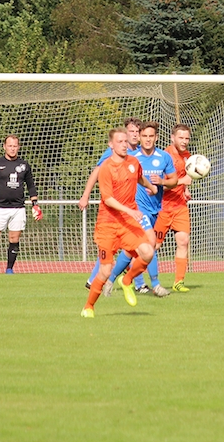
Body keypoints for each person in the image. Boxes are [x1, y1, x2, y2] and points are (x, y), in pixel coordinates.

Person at [82, 127, 158, 317]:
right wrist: (130, 211)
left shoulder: (133, 161)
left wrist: (151, 187)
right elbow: (107, 199)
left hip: (127, 222)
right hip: (107, 224)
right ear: (111, 145)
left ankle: (127, 280)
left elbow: (138, 177)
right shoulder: (106, 167)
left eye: (126, 141)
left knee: (148, 251)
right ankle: (89, 307)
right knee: (105, 271)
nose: (124, 145)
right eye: (120, 142)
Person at [102, 121, 178, 298]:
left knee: (131, 250)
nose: (148, 139)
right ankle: (155, 284)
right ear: (139, 137)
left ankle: (111, 279)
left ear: (156, 137)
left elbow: (174, 179)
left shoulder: (164, 157)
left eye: (151, 136)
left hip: (155, 210)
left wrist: (161, 183)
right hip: (136, 210)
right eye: (144, 136)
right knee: (150, 245)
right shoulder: (131, 157)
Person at [0, 135, 40, 275]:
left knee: (14, 238)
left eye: (15, 146)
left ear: (19, 147)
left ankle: (9, 269)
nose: (12, 148)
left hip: (18, 208)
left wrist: (35, 205)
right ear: (4, 146)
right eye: (10, 146)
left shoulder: (24, 165)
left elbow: (31, 186)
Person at [153, 124, 195, 292]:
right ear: (172, 138)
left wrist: (185, 190)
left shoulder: (188, 156)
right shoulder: (164, 156)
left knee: (183, 241)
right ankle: (133, 275)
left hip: (180, 206)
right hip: (163, 207)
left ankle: (178, 282)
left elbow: (184, 178)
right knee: (153, 247)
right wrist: (182, 182)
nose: (184, 141)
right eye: (181, 138)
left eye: (187, 138)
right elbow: (160, 184)